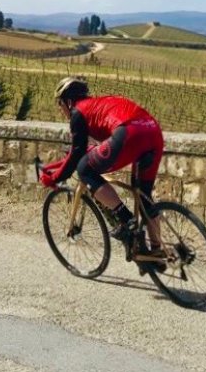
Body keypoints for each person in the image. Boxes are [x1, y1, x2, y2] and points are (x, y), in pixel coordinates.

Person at [40, 76, 166, 268]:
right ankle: (156, 251)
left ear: (68, 101)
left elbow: (77, 154)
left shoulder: (77, 113)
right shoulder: (97, 104)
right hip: (152, 131)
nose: (60, 109)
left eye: (60, 104)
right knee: (143, 194)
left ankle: (127, 220)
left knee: (84, 169)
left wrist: (56, 178)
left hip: (130, 133)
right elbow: (94, 145)